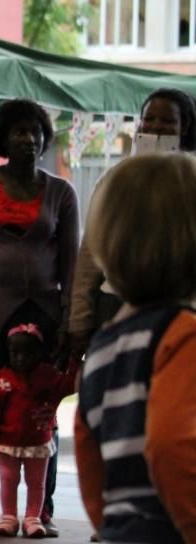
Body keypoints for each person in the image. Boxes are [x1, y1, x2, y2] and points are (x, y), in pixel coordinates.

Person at [74, 152, 196, 544]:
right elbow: (171, 445)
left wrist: (117, 530)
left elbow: (87, 450)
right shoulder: (183, 336)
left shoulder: (104, 344)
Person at [0, 98, 79, 537]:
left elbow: (71, 263)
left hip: (44, 311)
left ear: (45, 139)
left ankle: (40, 511)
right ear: (3, 139)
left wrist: (68, 319)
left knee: (43, 408)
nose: (28, 138)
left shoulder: (61, 192)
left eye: (35, 131)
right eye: (19, 131)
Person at [68, 87, 196, 363]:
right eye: (149, 119)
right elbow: (90, 254)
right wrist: (80, 316)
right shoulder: (118, 179)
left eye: (166, 120)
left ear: (184, 126)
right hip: (115, 303)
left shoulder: (191, 181)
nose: (155, 126)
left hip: (180, 307)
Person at [0, 323, 78, 538]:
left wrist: (73, 361)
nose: (21, 358)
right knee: (8, 479)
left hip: (38, 441)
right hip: (8, 442)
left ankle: (32, 518)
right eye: (15, 353)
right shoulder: (1, 380)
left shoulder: (47, 375)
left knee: (36, 482)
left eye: (28, 353)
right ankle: (8, 517)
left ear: (39, 353)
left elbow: (69, 386)